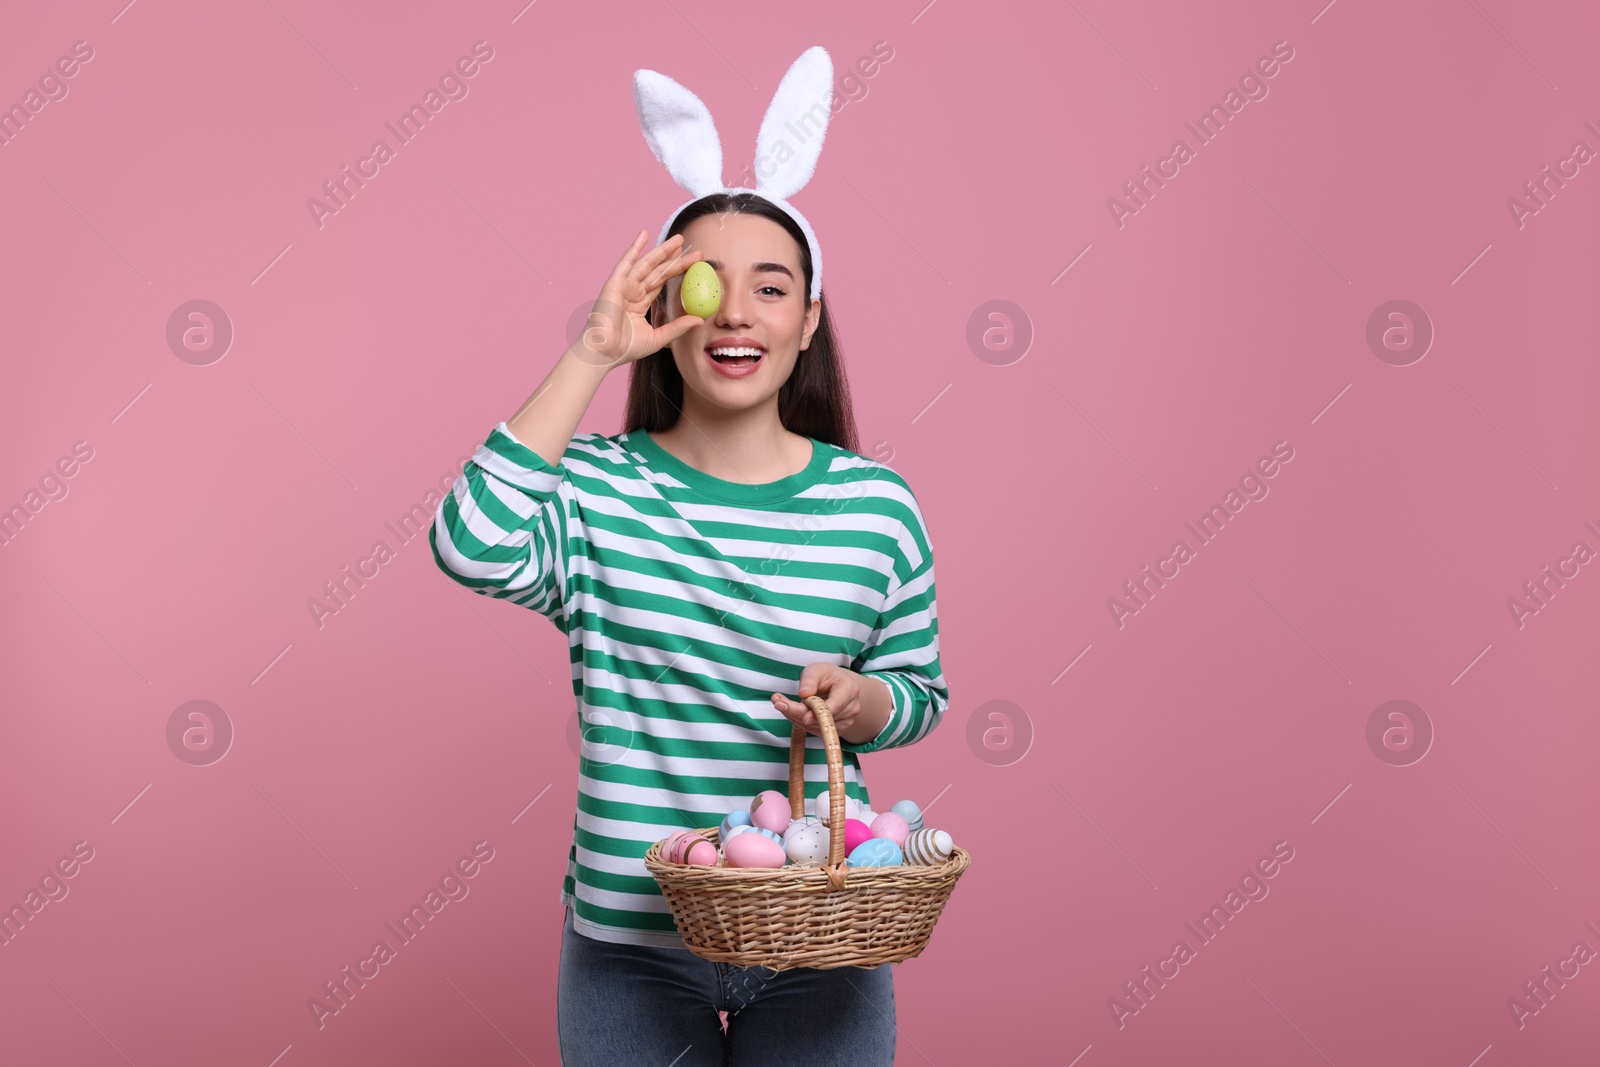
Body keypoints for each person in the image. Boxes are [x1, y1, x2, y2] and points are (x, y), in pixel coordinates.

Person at [431, 45, 946, 1065]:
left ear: (807, 320)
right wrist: (589, 349)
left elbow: (918, 688)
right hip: (630, 944)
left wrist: (863, 702)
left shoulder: (875, 505)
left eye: (773, 286)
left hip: (821, 939)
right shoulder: (595, 488)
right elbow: (470, 543)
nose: (737, 313)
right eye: (709, 282)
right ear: (670, 309)